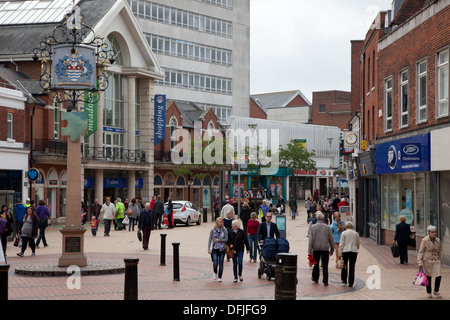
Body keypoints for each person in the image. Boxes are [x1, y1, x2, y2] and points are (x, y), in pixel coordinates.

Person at [308, 212, 334, 286]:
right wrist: (332, 249)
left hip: (316, 248)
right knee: (325, 265)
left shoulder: (313, 227)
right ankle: (325, 280)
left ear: (316, 218)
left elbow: (311, 240)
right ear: (323, 219)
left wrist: (309, 250)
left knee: (316, 264)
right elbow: (331, 239)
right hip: (325, 248)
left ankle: (316, 278)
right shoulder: (327, 227)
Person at [417, 226, 442, 298]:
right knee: (428, 277)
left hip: (436, 260)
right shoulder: (424, 240)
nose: (434, 233)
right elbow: (421, 252)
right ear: (429, 233)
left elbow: (439, 251)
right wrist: (419, 262)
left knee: (439, 275)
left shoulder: (438, 240)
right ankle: (429, 292)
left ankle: (436, 291)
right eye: (432, 232)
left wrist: (440, 260)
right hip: (427, 260)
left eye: (435, 232)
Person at [339, 221, 360, 287]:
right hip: (354, 251)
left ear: (346, 226)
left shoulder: (344, 233)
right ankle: (351, 282)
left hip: (345, 250)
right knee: (352, 267)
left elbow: (341, 244)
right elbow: (358, 242)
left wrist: (340, 253)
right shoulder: (355, 233)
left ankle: (344, 279)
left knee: (344, 266)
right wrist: (357, 248)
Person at [207, 217, 228, 282]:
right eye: (219, 222)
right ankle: (215, 272)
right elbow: (210, 239)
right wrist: (208, 248)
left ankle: (220, 276)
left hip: (222, 248)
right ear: (217, 222)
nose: (220, 223)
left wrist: (219, 240)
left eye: (221, 222)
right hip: (215, 248)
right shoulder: (213, 230)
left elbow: (226, 239)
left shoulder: (224, 230)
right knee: (215, 262)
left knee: (221, 262)